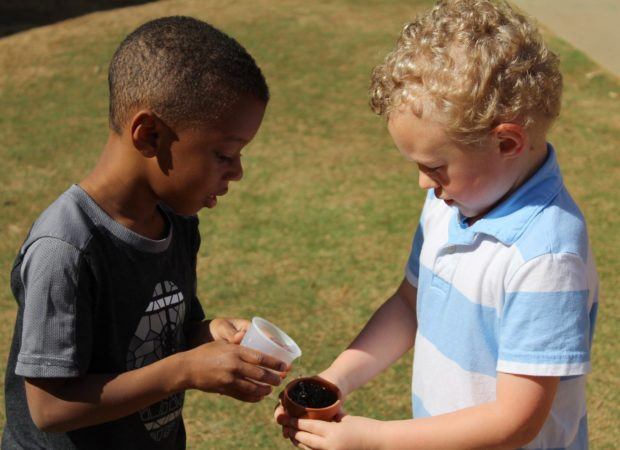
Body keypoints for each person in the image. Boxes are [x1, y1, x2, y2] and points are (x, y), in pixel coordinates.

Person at [275, 1, 599, 448]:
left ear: (506, 142)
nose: (423, 183)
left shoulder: (546, 255)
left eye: (436, 166)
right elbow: (411, 305)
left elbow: (515, 420)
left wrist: (378, 441)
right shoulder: (447, 204)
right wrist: (335, 380)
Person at [3, 16, 288, 449]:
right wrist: (185, 370)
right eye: (225, 154)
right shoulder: (65, 249)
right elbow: (49, 409)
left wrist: (208, 335)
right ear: (149, 135)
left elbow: (170, 328)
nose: (239, 172)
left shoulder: (176, 223)